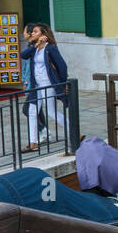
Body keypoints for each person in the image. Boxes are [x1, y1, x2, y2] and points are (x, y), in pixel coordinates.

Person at [22, 23, 69, 152]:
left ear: (43, 34)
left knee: (51, 112)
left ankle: (75, 133)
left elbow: (62, 66)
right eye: (32, 32)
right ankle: (33, 143)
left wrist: (62, 83)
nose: (32, 33)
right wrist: (36, 45)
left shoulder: (50, 48)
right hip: (36, 85)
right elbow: (23, 55)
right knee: (32, 112)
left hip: (48, 84)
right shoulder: (34, 48)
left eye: (35, 32)